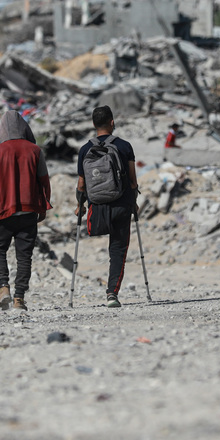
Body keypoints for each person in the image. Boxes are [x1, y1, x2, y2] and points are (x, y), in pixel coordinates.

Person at [0, 110, 50, 311]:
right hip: (29, 212)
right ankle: (19, 298)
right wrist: (44, 205)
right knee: (24, 256)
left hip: (3, 211)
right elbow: (44, 181)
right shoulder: (35, 151)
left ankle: (3, 287)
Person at [75, 105, 139, 308]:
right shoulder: (124, 146)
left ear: (94, 125)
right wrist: (134, 202)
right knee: (118, 250)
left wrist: (80, 206)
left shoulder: (85, 149)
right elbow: (132, 180)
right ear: (112, 122)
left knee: (108, 244)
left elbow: (81, 184)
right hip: (121, 205)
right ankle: (112, 293)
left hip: (97, 209)